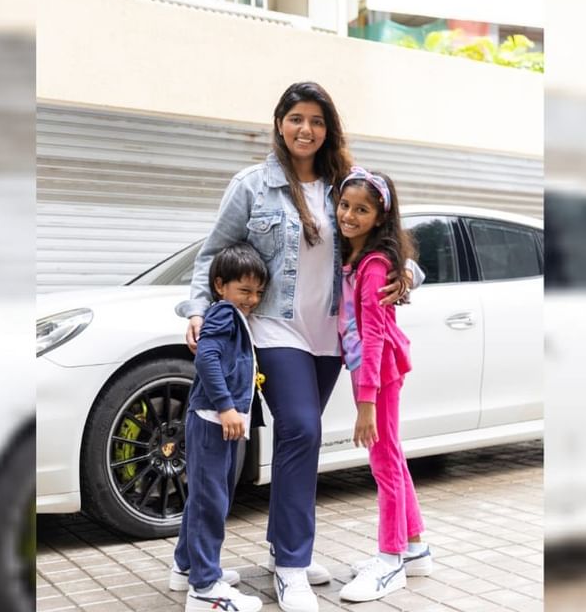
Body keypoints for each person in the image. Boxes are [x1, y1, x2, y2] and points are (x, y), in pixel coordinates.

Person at [176, 82, 414, 612]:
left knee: (297, 441)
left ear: (329, 128)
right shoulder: (252, 185)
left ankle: (190, 561)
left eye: (317, 120)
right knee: (303, 431)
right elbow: (212, 254)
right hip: (274, 328)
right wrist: (196, 310)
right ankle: (291, 565)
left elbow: (386, 241)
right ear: (280, 123)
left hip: (331, 336)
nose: (306, 129)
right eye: (296, 118)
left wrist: (406, 275)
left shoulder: (343, 184)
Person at [334, 167, 432, 603]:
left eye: (362, 210)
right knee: (391, 456)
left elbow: (372, 336)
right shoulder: (357, 258)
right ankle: (415, 547)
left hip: (378, 373)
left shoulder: (374, 266)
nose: (349, 216)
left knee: (384, 464)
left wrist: (366, 402)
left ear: (380, 218)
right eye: (345, 206)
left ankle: (390, 559)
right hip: (373, 370)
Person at [170, 242, 268, 612]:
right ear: (219, 285)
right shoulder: (224, 313)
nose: (252, 299)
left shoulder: (230, 314)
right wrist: (227, 407)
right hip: (213, 420)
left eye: (258, 292)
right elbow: (207, 360)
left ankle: (187, 567)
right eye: (244, 290)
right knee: (211, 502)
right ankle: (205, 588)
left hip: (216, 421)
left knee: (206, 497)